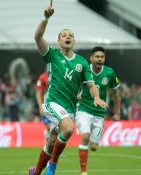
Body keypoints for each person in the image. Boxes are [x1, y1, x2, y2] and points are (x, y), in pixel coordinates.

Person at [29, 1, 108, 175]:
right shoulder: (52, 55)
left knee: (51, 142)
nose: (68, 36)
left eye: (70, 35)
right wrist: (45, 18)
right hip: (52, 102)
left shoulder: (82, 62)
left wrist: (96, 97)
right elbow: (37, 37)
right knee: (68, 129)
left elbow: (91, 84)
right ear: (58, 41)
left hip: (69, 107)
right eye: (64, 35)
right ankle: (53, 166)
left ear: (74, 41)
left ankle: (35, 173)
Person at [75, 46, 121, 175]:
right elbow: (73, 84)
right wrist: (76, 94)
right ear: (91, 58)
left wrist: (117, 112)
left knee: (94, 147)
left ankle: (88, 141)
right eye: (97, 57)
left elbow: (116, 94)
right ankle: (83, 171)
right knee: (85, 136)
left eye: (102, 57)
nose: (100, 59)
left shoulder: (109, 72)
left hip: (99, 113)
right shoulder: (84, 70)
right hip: (83, 109)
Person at [36, 71, 51, 142]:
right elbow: (38, 93)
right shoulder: (42, 78)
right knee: (50, 128)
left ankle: (52, 150)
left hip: (56, 105)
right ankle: (50, 149)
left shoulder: (58, 74)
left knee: (56, 129)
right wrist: (40, 107)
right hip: (45, 105)